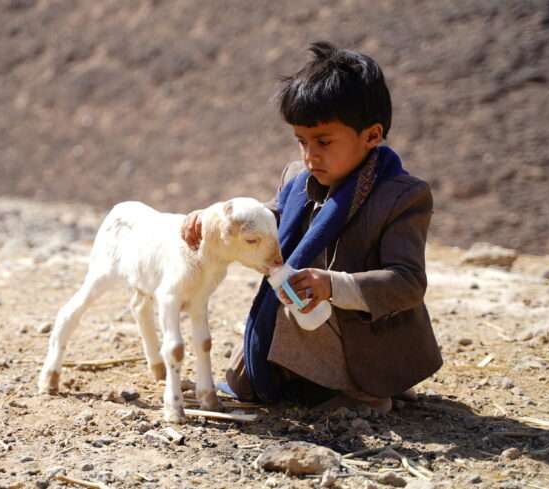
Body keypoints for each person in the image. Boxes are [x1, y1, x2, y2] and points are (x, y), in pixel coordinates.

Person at [182, 41, 442, 415]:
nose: (309, 155)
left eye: (323, 141)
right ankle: (311, 381)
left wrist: (332, 285)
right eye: (301, 141)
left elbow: (407, 282)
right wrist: (208, 219)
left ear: (371, 136)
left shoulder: (402, 197)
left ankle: (367, 392)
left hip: (366, 336)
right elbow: (261, 223)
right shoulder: (296, 179)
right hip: (309, 318)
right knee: (244, 378)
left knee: (295, 307)